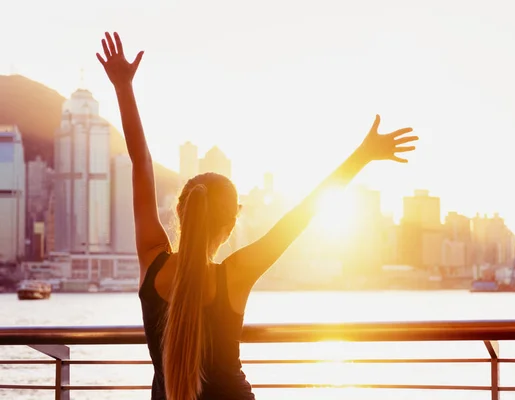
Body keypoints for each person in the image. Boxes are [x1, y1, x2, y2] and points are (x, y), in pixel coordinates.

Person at [96, 32, 418, 400]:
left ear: (181, 212)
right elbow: (302, 216)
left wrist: (123, 86)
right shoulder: (235, 274)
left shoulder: (153, 261)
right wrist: (362, 156)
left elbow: (141, 164)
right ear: (232, 223)